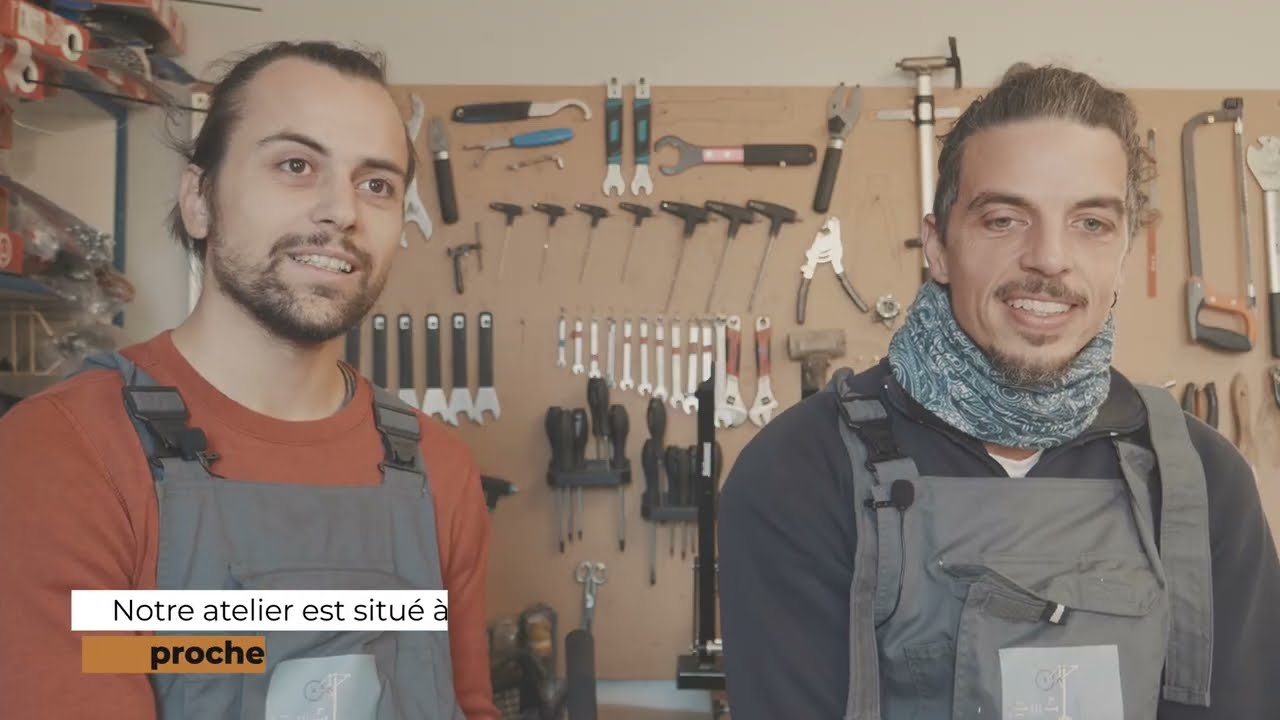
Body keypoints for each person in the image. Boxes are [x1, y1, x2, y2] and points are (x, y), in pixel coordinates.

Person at [718, 64, 1280, 719]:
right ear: (938, 248)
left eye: (1091, 223)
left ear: (1125, 252)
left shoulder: (1203, 482)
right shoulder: (798, 472)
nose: (1049, 257)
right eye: (1005, 219)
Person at [0, 42, 499, 719]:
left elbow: (463, 703)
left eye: (376, 183)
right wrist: (236, 640)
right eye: (296, 165)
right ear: (199, 200)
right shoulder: (66, 454)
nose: (342, 212)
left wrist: (228, 638)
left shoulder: (439, 469)